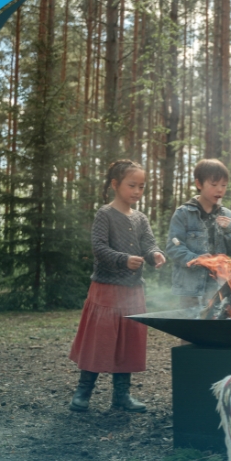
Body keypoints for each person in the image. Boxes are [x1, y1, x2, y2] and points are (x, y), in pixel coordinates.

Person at [69, 160, 166, 412]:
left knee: (129, 340)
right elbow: (99, 248)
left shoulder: (141, 218)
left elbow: (149, 243)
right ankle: (83, 392)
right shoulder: (105, 214)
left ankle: (121, 396)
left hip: (133, 290)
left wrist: (155, 254)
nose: (137, 191)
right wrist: (123, 259)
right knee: (99, 339)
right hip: (106, 289)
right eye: (131, 185)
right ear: (115, 184)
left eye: (141, 187)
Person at [165, 159, 231, 311]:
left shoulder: (227, 215)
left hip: (218, 286)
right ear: (199, 184)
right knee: (191, 330)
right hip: (190, 289)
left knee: (215, 328)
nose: (220, 190)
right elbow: (173, 248)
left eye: (223, 185)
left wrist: (229, 231)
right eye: (214, 185)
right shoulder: (184, 214)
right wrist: (196, 259)